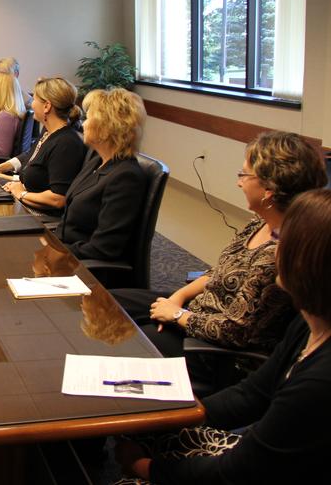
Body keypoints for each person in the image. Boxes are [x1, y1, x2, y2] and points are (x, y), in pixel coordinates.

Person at [114, 188, 331, 484]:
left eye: (280, 239)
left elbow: (238, 471)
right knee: (149, 433)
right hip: (261, 458)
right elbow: (252, 394)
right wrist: (177, 417)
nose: (273, 247)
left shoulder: (318, 382)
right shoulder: (308, 324)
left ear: (304, 261)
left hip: (260, 471)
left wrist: (142, 468)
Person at [112, 131, 327, 366]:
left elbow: (234, 330)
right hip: (197, 310)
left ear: (269, 191)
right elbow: (220, 270)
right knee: (108, 304)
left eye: (243, 175)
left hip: (215, 349)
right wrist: (178, 297)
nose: (238, 182)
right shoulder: (260, 222)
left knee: (127, 340)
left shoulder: (277, 254)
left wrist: (177, 315)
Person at [55, 88, 146, 262]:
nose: (83, 124)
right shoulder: (96, 161)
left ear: (106, 128)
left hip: (84, 266)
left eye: (88, 118)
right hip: (67, 249)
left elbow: (104, 248)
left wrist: (59, 253)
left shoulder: (126, 177)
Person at [0, 77, 86, 211]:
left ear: (47, 106)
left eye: (34, 99)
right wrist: (15, 186)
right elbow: (34, 161)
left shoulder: (66, 143)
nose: (32, 104)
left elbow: (58, 199)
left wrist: (21, 193)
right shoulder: (48, 132)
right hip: (29, 208)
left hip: (44, 219)